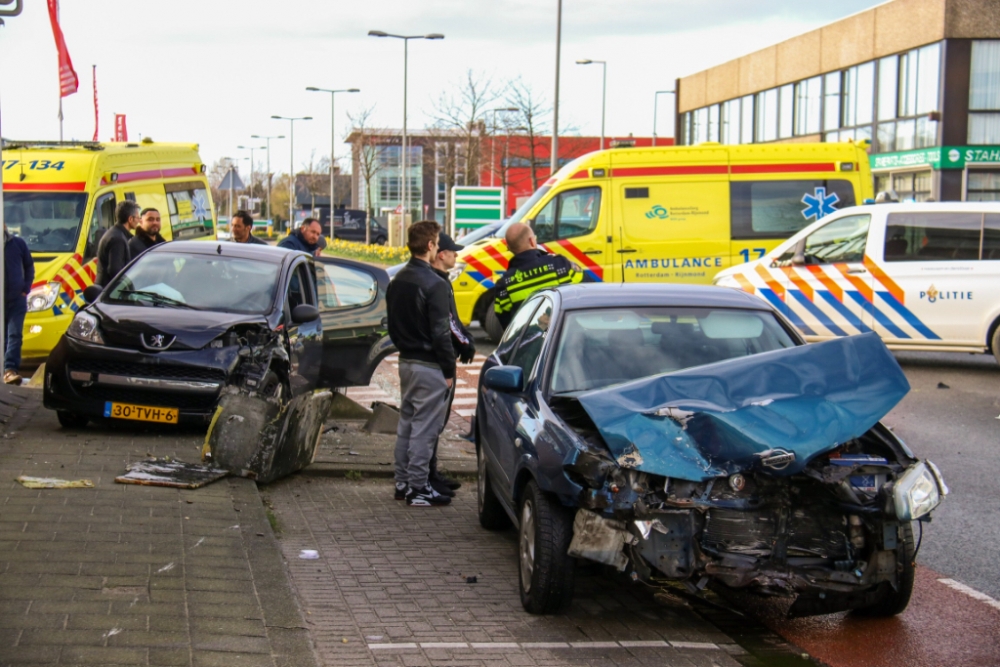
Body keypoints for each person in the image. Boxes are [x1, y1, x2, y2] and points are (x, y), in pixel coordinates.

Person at [386, 221, 455, 507]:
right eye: (437, 242)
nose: (439, 247)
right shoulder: (435, 284)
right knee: (425, 429)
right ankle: (418, 488)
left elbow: (392, 325)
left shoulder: (398, 279)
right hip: (429, 365)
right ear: (429, 246)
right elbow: (441, 333)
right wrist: (449, 370)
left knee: (407, 423)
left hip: (406, 362)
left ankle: (402, 482)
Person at [426, 232, 475, 496]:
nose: (456, 255)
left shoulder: (438, 279)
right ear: (441, 254)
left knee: (433, 421)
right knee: (433, 420)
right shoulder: (437, 282)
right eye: (453, 251)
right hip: (438, 362)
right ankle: (427, 476)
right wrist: (466, 343)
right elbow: (446, 323)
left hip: (435, 359)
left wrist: (465, 337)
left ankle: (430, 472)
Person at [493, 222, 583, 329]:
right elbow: (584, 285)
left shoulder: (504, 285)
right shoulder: (559, 265)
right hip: (562, 334)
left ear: (509, 248)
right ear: (531, 241)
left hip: (528, 341)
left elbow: (506, 322)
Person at [3, 225, 34, 385]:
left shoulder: (18, 244)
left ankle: (10, 370)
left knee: (15, 335)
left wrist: (26, 289)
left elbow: (29, 266)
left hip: (16, 300)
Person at [96, 200, 140, 286]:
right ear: (130, 219)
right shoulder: (118, 239)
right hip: (108, 291)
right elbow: (115, 271)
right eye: (138, 218)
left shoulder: (113, 233)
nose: (139, 221)